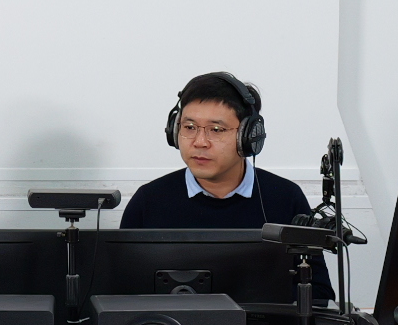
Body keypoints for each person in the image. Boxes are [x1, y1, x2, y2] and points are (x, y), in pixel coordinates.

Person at [119, 71, 315, 234]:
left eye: (216, 130)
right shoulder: (148, 201)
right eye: (189, 127)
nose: (200, 142)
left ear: (248, 136)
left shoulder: (287, 199)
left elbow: (313, 271)